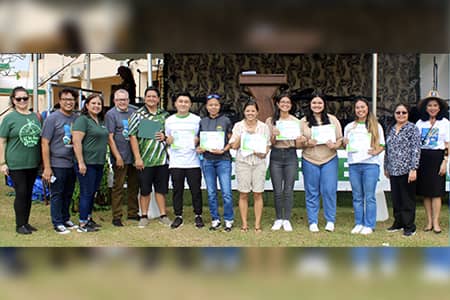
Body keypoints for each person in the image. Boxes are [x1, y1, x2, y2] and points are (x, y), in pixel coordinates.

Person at [0, 87, 42, 235]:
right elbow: (2, 141)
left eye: (25, 98)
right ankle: (20, 224)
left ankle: (26, 222)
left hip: (32, 162)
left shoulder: (35, 117)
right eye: (19, 99)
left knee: (28, 193)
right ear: (13, 100)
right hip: (16, 163)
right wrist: (2, 162)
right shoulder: (9, 118)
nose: (22, 101)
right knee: (21, 192)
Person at [129, 86, 171, 228]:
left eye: (154, 96)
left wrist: (165, 137)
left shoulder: (164, 115)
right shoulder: (138, 114)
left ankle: (163, 215)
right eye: (148, 96)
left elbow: (170, 135)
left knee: (161, 190)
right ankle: (144, 216)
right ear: (144, 98)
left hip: (162, 159)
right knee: (145, 189)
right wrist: (137, 157)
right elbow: (132, 136)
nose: (151, 99)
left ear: (158, 99)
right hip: (145, 160)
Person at [300, 94, 342, 233]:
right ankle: (313, 221)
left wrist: (335, 145)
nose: (317, 105)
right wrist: (307, 142)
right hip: (309, 159)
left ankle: (330, 220)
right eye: (314, 103)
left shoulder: (332, 119)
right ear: (310, 105)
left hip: (329, 159)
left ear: (324, 104)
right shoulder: (303, 121)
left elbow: (340, 139)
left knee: (329, 190)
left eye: (319, 103)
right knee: (312, 191)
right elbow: (298, 142)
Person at [343, 98, 385, 235]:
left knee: (369, 196)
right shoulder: (350, 126)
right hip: (354, 164)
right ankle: (358, 223)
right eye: (357, 108)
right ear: (354, 110)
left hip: (370, 165)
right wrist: (345, 142)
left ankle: (369, 224)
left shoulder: (376, 126)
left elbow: (382, 145)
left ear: (368, 108)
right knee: (357, 196)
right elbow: (346, 145)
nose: (360, 110)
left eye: (363, 107)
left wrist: (376, 151)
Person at [41, 88, 79, 234]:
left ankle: (65, 218)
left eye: (71, 100)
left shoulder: (76, 118)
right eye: (65, 99)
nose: (68, 102)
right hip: (57, 163)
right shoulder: (52, 118)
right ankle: (57, 222)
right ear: (60, 101)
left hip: (72, 162)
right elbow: (44, 143)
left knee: (68, 192)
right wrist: (47, 167)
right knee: (57, 193)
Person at [265, 93, 305, 232]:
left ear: (291, 105)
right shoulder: (270, 121)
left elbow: (298, 144)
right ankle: (278, 218)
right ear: (278, 104)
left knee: (288, 189)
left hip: (290, 155)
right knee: (277, 190)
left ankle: (286, 219)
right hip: (275, 154)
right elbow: (269, 142)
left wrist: (300, 139)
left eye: (288, 102)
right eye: (282, 102)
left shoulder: (296, 121)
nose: (285, 104)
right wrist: (273, 136)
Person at [229, 100, 270, 233]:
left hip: (258, 163)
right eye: (248, 111)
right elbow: (234, 146)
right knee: (243, 194)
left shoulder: (263, 127)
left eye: (253, 110)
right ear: (244, 112)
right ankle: (244, 224)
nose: (250, 113)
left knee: (258, 194)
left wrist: (261, 152)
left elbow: (267, 146)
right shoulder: (238, 126)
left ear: (257, 112)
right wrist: (243, 136)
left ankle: (257, 225)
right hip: (243, 163)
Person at [165, 92, 203, 229]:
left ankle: (198, 215)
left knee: (195, 190)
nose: (183, 104)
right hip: (176, 161)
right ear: (175, 104)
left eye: (186, 102)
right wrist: (167, 140)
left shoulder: (197, 120)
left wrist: (198, 141)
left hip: (193, 161)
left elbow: (202, 137)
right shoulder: (169, 121)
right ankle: (178, 216)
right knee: (177, 190)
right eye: (180, 101)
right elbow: (167, 138)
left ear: (190, 104)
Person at [197, 93, 234, 232]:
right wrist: (199, 147)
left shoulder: (226, 120)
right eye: (211, 105)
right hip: (207, 160)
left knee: (226, 192)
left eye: (216, 105)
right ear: (207, 107)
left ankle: (229, 219)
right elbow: (199, 139)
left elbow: (231, 140)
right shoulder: (203, 121)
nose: (213, 107)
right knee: (211, 192)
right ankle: (215, 219)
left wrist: (224, 149)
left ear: (220, 106)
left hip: (223, 160)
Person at [72, 94, 109, 232]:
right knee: (86, 192)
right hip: (87, 163)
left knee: (92, 192)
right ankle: (82, 224)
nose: (96, 106)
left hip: (98, 163)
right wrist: (81, 162)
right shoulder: (82, 120)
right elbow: (76, 142)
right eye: (93, 103)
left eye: (99, 104)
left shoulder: (100, 121)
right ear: (86, 105)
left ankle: (88, 218)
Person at [384, 104, 421, 237]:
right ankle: (398, 222)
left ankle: (409, 226)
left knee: (407, 199)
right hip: (393, 169)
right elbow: (388, 150)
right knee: (396, 198)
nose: (401, 115)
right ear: (394, 114)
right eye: (398, 112)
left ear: (408, 114)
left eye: (403, 113)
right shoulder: (391, 128)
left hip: (407, 170)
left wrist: (413, 168)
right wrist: (386, 166)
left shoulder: (413, 128)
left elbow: (416, 150)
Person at [415, 90, 449, 234]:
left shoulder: (445, 123)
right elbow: (415, 143)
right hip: (423, 157)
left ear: (439, 107)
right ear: (425, 107)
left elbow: (448, 144)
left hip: (438, 158)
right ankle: (429, 221)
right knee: (426, 193)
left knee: (436, 192)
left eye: (435, 105)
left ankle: (436, 222)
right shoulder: (420, 123)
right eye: (430, 105)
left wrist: (445, 161)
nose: (432, 108)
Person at [105, 89, 139, 227]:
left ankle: (133, 212)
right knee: (118, 187)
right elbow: (110, 137)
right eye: (119, 100)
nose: (122, 102)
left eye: (124, 99)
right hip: (120, 156)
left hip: (135, 156)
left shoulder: (135, 111)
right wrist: (117, 156)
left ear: (129, 100)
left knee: (134, 186)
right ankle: (117, 216)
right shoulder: (111, 114)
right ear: (114, 101)